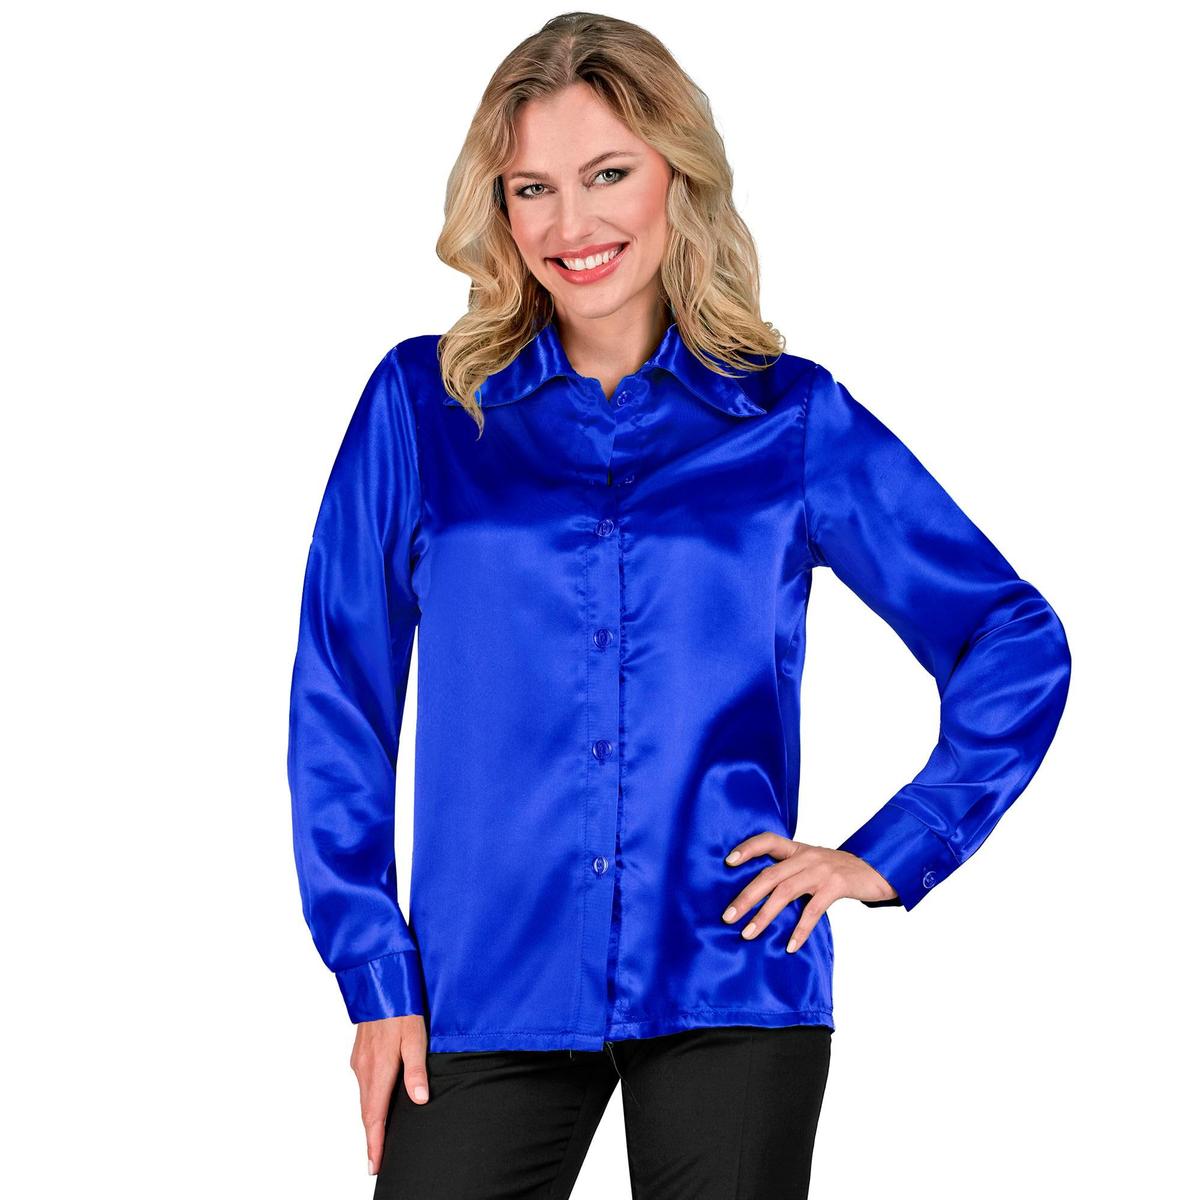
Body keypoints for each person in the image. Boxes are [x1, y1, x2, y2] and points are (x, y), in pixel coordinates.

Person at [286, 13, 1072, 1199]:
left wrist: (885, 854)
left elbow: (1008, 635)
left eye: (608, 175)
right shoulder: (422, 407)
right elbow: (340, 697)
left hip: (728, 966)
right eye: (533, 189)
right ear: (499, 209)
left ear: (677, 176)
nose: (571, 225)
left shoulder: (790, 420)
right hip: (481, 982)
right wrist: (373, 970)